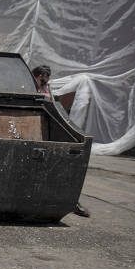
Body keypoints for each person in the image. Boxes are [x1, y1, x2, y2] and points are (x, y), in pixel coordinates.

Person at [31, 65, 90, 218]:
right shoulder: (29, 86)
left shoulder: (48, 89)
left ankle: (71, 201)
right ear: (36, 76)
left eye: (46, 77)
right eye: (42, 77)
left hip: (50, 130)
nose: (44, 80)